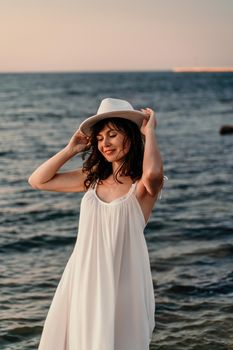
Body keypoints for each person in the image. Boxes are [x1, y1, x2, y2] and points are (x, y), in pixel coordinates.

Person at [28, 97, 168, 350]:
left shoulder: (142, 185)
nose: (105, 143)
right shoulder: (91, 179)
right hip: (83, 277)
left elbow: (154, 173)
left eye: (112, 135)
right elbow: (38, 181)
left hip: (121, 280)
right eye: (100, 138)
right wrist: (70, 149)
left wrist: (150, 133)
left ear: (130, 137)